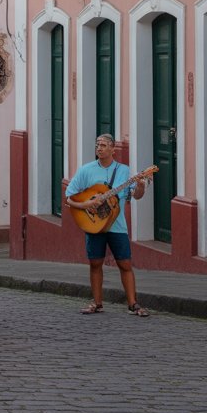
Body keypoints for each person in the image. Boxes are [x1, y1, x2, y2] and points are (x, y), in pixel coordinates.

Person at [65, 133, 151, 317]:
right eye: (97, 145)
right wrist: (86, 204)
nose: (99, 148)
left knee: (125, 263)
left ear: (113, 149)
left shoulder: (124, 171)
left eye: (103, 145)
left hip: (117, 225)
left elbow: (135, 196)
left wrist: (141, 187)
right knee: (95, 263)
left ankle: (133, 304)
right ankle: (97, 303)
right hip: (93, 224)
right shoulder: (85, 170)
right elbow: (69, 197)